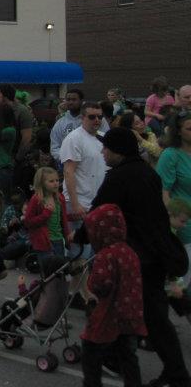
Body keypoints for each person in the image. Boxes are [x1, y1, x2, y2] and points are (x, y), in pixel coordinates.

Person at [90, 127, 190, 387]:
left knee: (131, 313)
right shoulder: (148, 172)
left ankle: (166, 371)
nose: (103, 152)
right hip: (157, 254)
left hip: (136, 258)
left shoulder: (119, 178)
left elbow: (99, 212)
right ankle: (173, 370)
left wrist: (80, 239)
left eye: (106, 148)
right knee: (152, 316)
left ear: (117, 150)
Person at [79, 203, 146, 387]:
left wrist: (91, 283)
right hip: (130, 311)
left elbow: (100, 284)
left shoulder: (106, 255)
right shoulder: (129, 251)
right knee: (128, 356)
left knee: (91, 352)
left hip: (109, 312)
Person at [158, 110, 191, 281]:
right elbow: (164, 193)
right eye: (190, 128)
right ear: (178, 131)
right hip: (184, 224)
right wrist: (172, 224)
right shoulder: (170, 155)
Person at [24, 166, 70, 261]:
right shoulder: (36, 200)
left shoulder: (60, 198)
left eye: (57, 180)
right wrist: (46, 214)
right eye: (51, 181)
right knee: (49, 271)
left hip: (58, 239)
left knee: (59, 269)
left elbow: (64, 219)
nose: (56, 183)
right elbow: (28, 222)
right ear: (41, 183)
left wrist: (67, 236)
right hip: (43, 242)